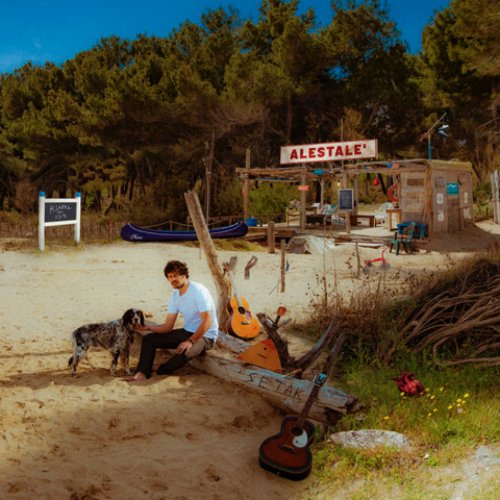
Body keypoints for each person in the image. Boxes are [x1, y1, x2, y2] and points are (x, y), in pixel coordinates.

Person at [123, 260, 218, 381]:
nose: (173, 279)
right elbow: (168, 326)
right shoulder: (174, 296)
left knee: (184, 352)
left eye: (176, 275)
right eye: (170, 276)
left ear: (184, 275)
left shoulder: (198, 290)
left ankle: (161, 369)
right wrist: (149, 327)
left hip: (206, 336)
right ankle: (142, 373)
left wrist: (190, 341)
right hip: (187, 331)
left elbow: (208, 321)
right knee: (149, 339)